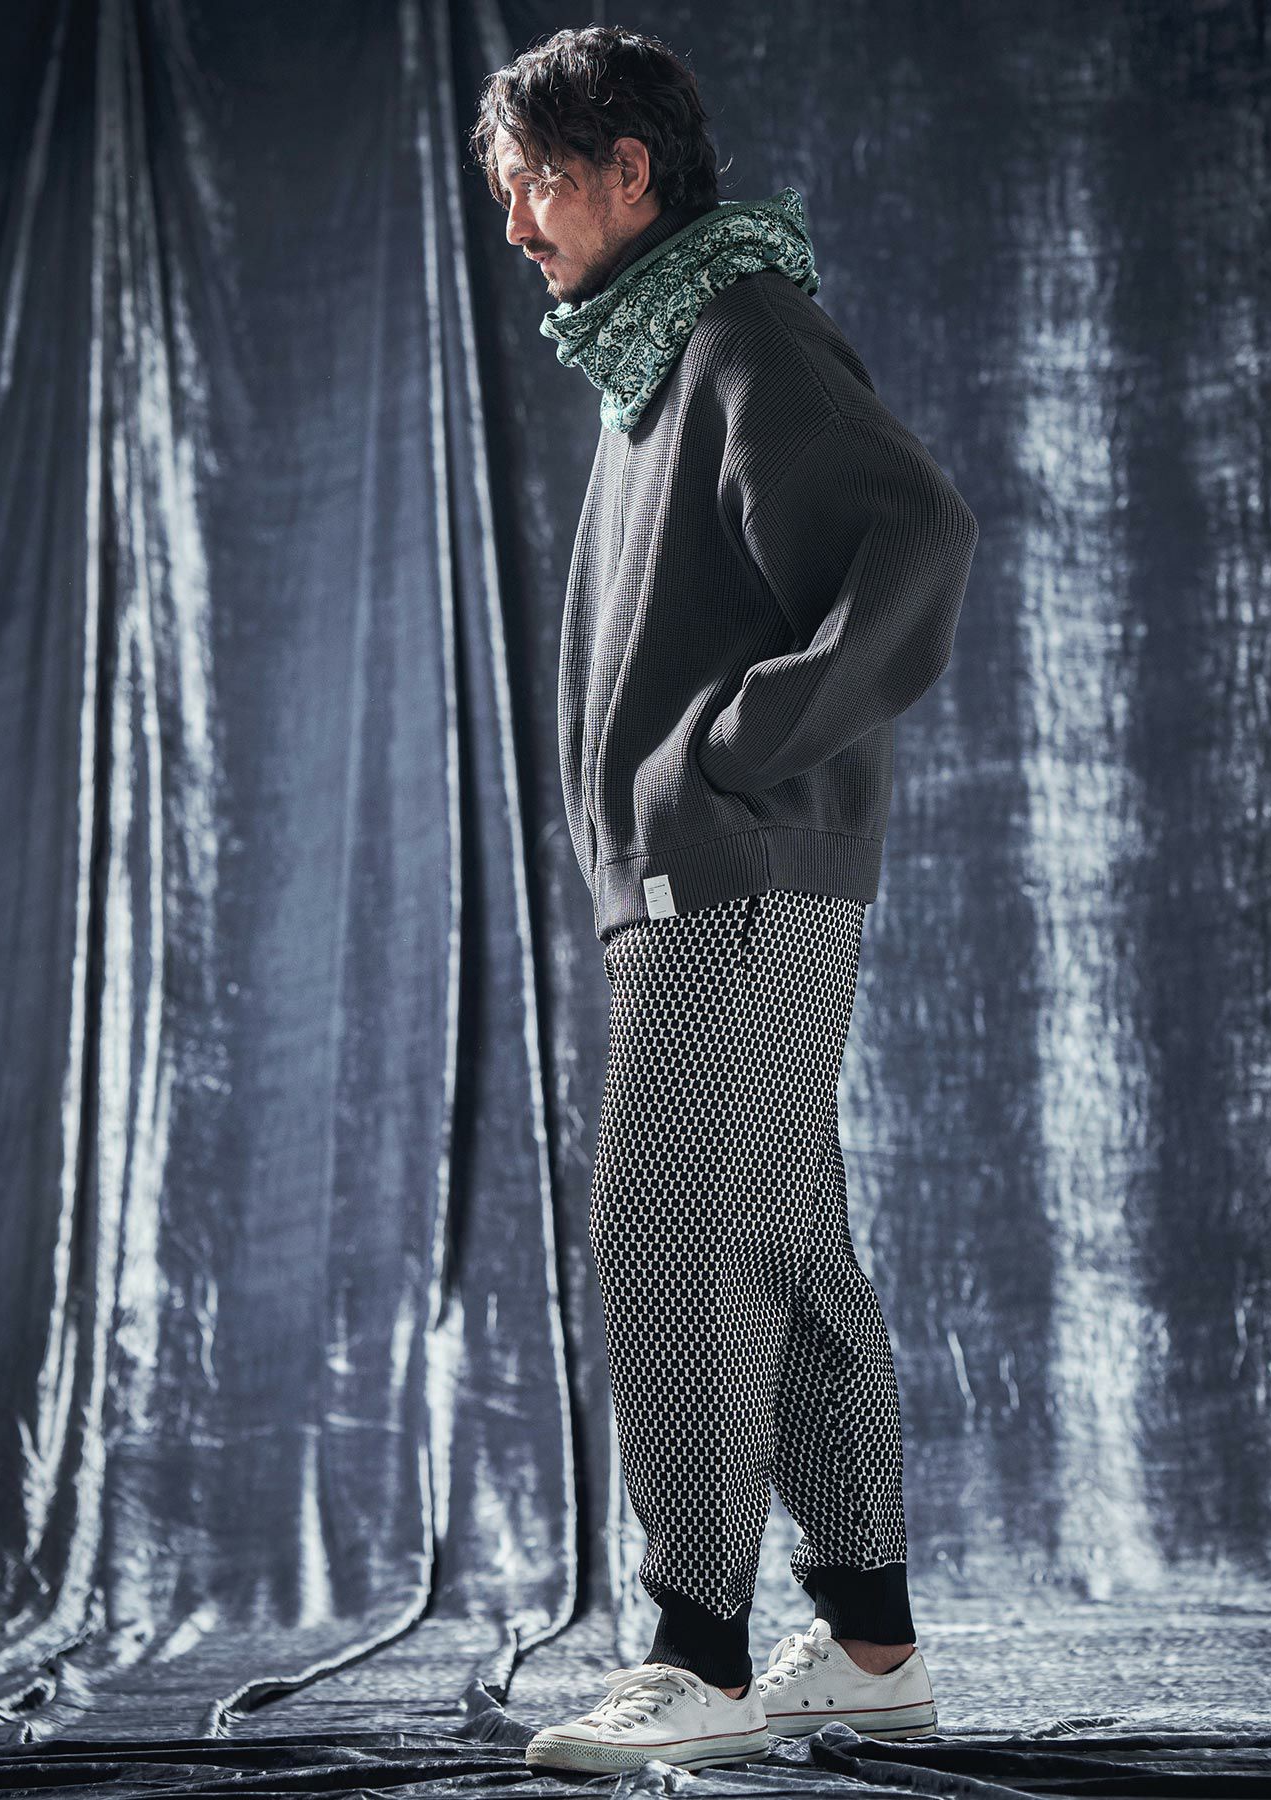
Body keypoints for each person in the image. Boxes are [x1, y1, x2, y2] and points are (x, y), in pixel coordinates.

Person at [471, 24, 978, 1775]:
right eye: (504, 192)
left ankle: (695, 1653)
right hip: (708, 880)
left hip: (736, 877)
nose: (517, 224)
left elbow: (918, 532)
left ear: (630, 172)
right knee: (785, 1247)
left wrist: (719, 760)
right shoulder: (661, 354)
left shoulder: (745, 330)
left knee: (671, 1232)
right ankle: (874, 1648)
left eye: (538, 183)